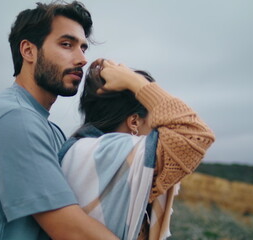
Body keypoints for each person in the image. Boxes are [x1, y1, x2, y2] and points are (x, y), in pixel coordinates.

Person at [0, 2, 119, 239]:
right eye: (67, 45)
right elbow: (72, 231)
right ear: (28, 51)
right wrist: (137, 85)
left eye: (83, 48)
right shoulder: (12, 118)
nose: (82, 59)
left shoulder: (47, 127)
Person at [58, 59, 216, 239]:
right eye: (154, 122)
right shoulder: (122, 157)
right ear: (134, 122)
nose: (156, 131)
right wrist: (134, 82)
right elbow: (196, 134)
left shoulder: (74, 151)